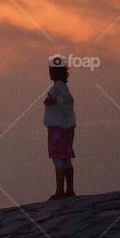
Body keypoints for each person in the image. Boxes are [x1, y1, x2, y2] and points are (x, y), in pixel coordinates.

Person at [44, 56, 76, 198]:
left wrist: (53, 100)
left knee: (58, 158)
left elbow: (68, 100)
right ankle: (68, 190)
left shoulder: (58, 86)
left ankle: (60, 190)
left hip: (59, 128)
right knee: (65, 158)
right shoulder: (61, 85)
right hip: (65, 127)